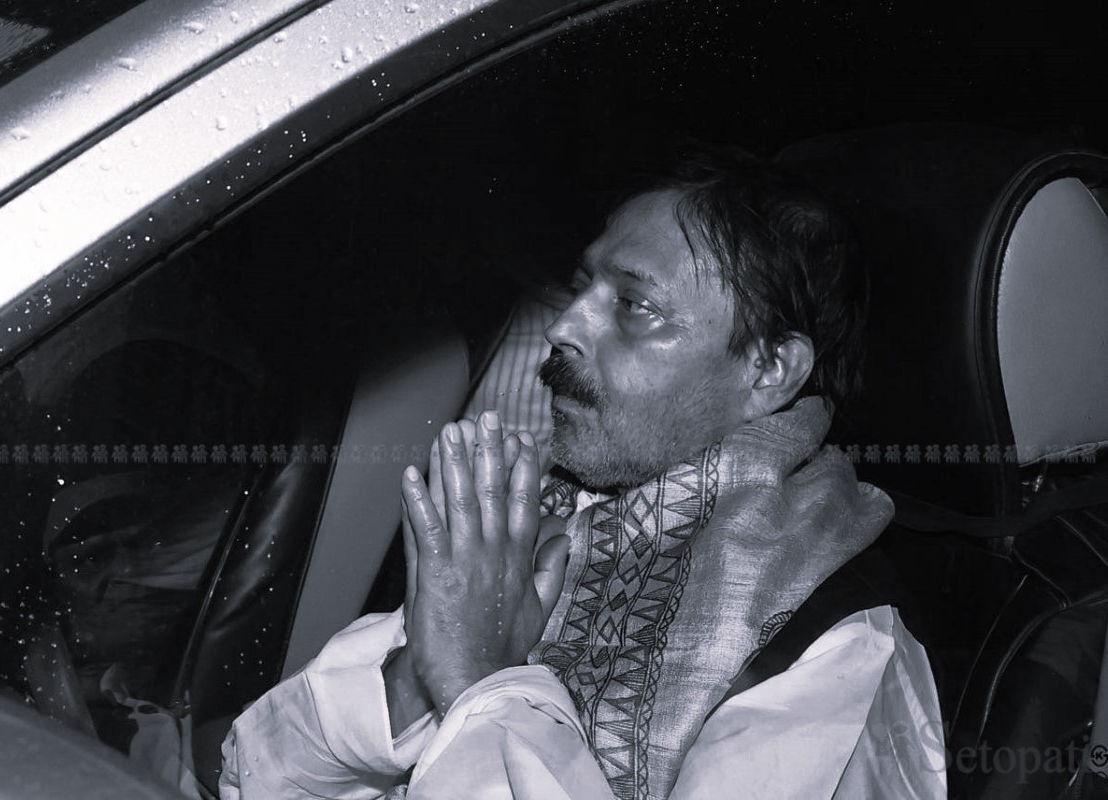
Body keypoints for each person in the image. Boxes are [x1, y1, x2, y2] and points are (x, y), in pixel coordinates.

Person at [219, 149, 946, 799]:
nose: (564, 326)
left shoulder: (837, 644)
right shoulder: (550, 514)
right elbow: (255, 774)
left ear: (769, 369)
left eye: (634, 305)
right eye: (581, 288)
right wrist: (416, 680)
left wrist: (479, 682)